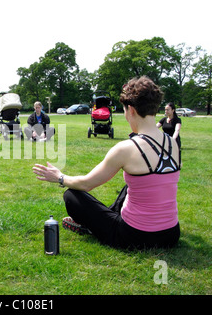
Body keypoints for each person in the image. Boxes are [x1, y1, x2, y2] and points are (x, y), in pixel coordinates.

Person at [33, 76, 181, 250]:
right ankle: (107, 217)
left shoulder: (127, 148)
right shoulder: (173, 143)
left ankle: (90, 227)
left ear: (131, 110)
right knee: (134, 186)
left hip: (134, 236)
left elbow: (86, 184)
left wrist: (59, 177)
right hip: (171, 234)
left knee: (71, 196)